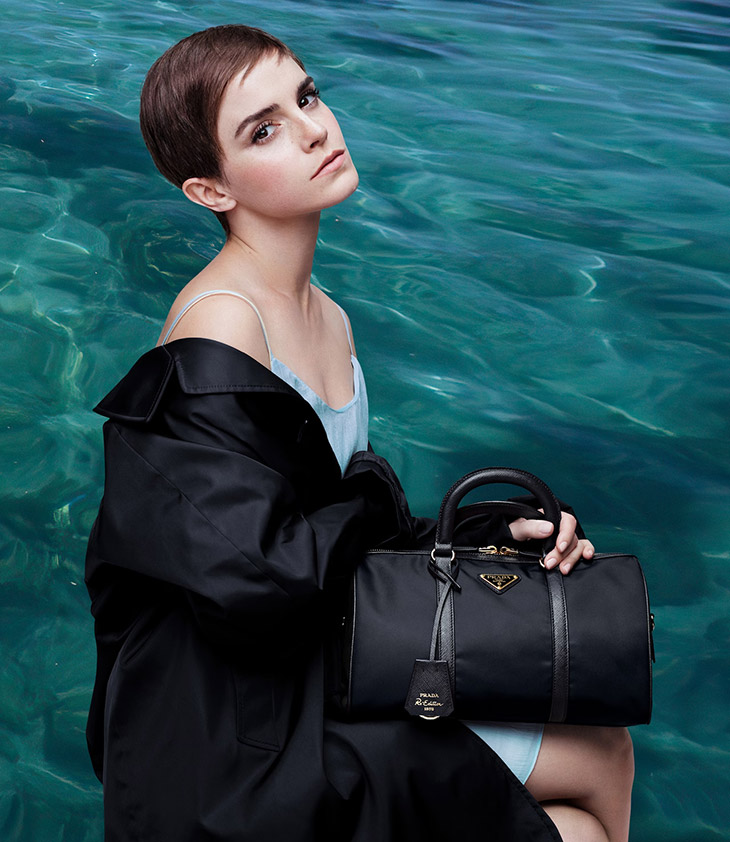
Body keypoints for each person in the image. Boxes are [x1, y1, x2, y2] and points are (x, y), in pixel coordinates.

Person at [85, 24, 634, 842]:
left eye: (306, 97)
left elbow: (330, 531)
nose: (313, 130)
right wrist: (378, 502)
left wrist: (492, 534)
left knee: (601, 748)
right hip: (239, 722)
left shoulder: (329, 316)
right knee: (593, 766)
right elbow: (254, 579)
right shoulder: (222, 328)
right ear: (209, 190)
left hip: (318, 654)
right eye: (263, 130)